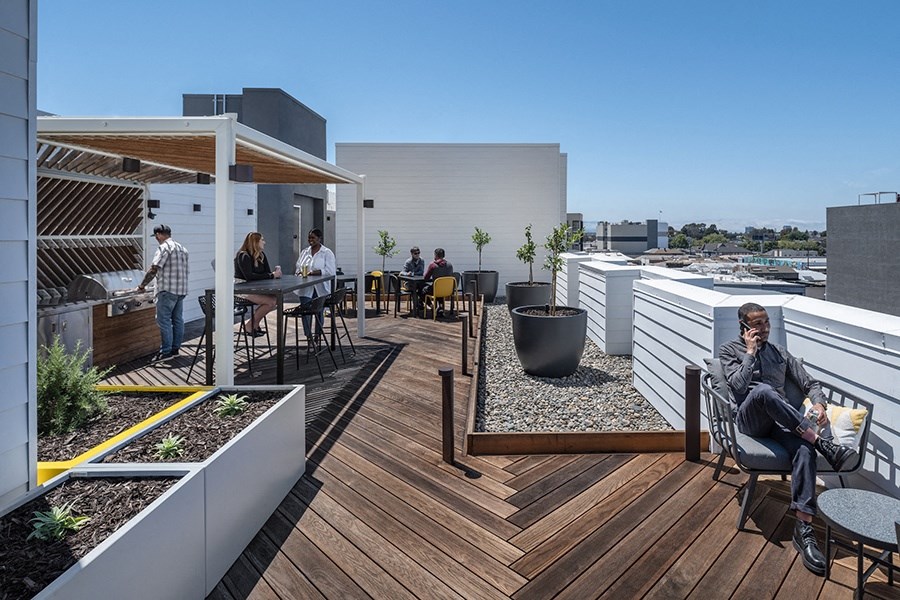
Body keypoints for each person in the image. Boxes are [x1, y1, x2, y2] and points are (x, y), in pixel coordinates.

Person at [718, 302, 859, 576]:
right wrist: (750, 352)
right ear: (744, 327)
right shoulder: (729, 351)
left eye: (766, 322)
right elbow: (736, 387)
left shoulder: (780, 354)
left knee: (804, 451)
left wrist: (818, 405)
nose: (764, 328)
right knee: (763, 390)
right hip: (751, 421)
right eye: (757, 324)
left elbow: (811, 384)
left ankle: (804, 527)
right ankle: (822, 443)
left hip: (782, 423)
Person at [137, 224, 189, 361]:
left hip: (167, 290)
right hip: (181, 290)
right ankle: (175, 349)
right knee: (178, 320)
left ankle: (166, 352)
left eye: (156, 236)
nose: (156, 239)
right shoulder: (182, 249)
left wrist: (142, 285)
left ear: (159, 234)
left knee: (164, 321)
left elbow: (154, 269)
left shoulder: (164, 248)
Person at [234, 232, 282, 337]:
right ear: (256, 242)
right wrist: (271, 275)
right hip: (241, 289)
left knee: (277, 299)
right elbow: (249, 276)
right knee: (270, 302)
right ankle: (251, 325)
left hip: (255, 288)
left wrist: (274, 274)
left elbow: (268, 272)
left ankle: (253, 324)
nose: (264, 242)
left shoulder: (261, 255)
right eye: (262, 240)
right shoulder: (243, 255)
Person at [294, 228, 336, 336]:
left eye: (313, 237)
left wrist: (314, 273)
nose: (310, 240)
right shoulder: (304, 252)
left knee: (318, 311)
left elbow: (330, 271)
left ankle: (318, 335)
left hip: (320, 287)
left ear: (319, 238)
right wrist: (299, 273)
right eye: (309, 238)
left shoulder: (326, 253)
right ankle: (309, 337)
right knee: (305, 312)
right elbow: (298, 268)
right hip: (305, 287)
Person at [419, 247, 453, 315]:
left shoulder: (433, 265)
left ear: (435, 255)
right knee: (438, 288)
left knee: (421, 290)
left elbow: (426, 278)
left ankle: (432, 306)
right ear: (444, 255)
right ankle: (440, 307)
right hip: (448, 290)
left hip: (436, 290)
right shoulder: (450, 265)